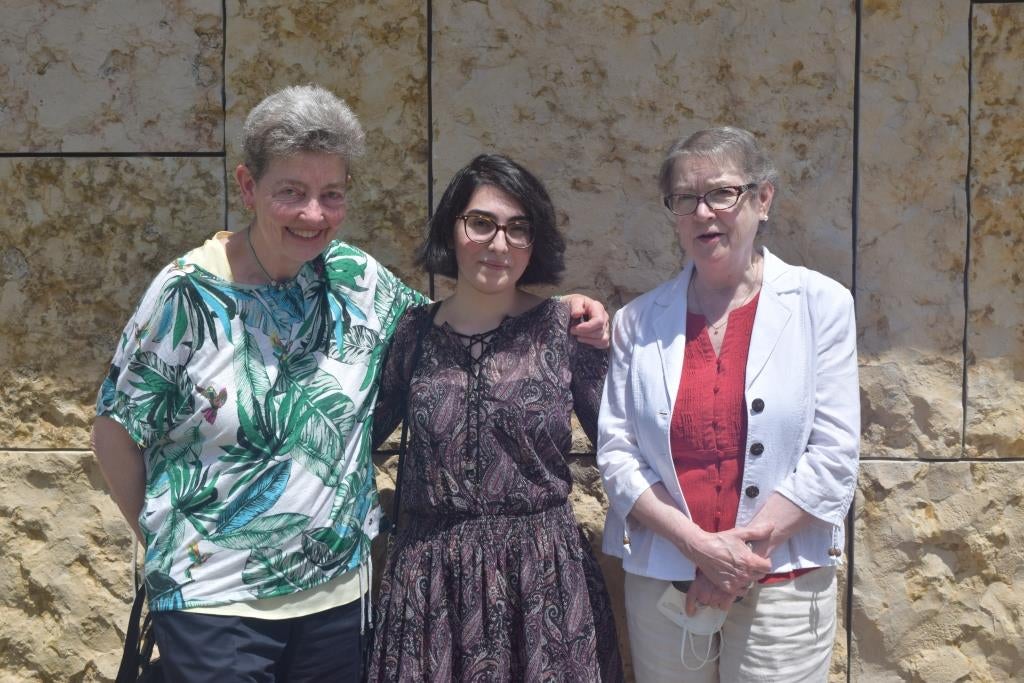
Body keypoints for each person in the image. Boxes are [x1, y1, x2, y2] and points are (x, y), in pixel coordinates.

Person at [91, 85, 609, 682]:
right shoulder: (186, 294)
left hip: (337, 600)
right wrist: (171, 546)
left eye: (330, 194)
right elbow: (114, 433)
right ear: (247, 187)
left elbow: (463, 327)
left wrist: (562, 310)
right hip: (214, 602)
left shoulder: (356, 279)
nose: (313, 214)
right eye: (291, 191)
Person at [597, 126, 859, 681]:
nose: (703, 212)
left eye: (721, 193)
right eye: (685, 198)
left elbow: (834, 454)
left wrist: (735, 561)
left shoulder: (821, 305)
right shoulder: (637, 322)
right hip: (667, 580)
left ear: (763, 199)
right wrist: (698, 547)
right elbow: (617, 454)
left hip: (783, 585)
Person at [366, 154, 624, 682]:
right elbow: (355, 437)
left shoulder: (565, 329)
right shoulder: (412, 333)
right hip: (430, 585)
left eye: (518, 228)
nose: (499, 244)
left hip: (542, 582)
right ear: (452, 228)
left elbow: (623, 444)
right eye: (481, 222)